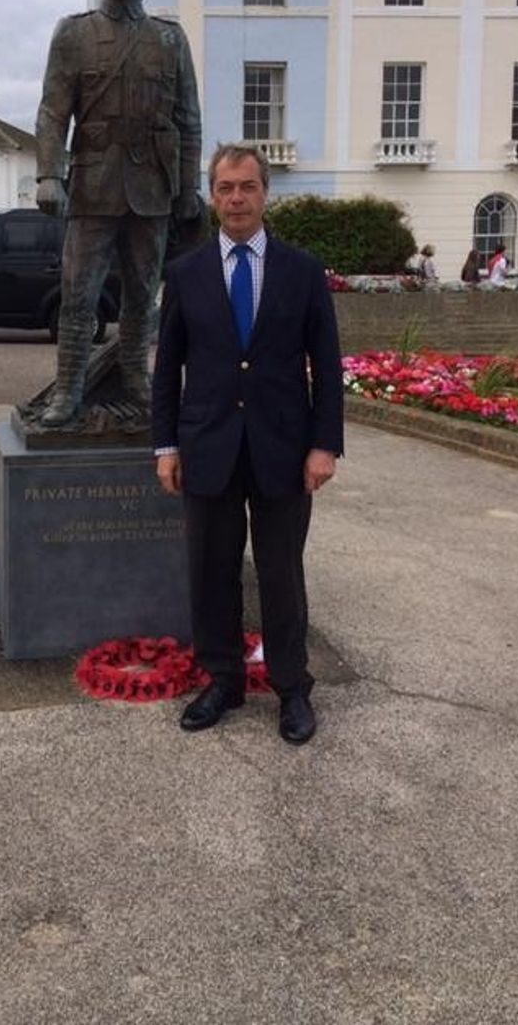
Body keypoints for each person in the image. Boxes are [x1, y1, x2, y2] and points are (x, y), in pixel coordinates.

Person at [152, 144, 344, 745]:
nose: (236, 198)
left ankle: (291, 688)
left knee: (282, 572)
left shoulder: (302, 270)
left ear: (266, 193)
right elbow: (168, 369)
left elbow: (327, 365)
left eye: (247, 187)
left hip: (284, 449)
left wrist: (324, 445)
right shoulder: (185, 272)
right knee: (211, 573)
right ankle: (223, 681)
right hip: (206, 446)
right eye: (225, 188)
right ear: (212, 197)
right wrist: (165, 446)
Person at [35, 0, 202, 426]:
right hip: (91, 187)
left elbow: (188, 119)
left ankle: (137, 381)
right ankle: (68, 391)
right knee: (80, 295)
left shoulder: (170, 41)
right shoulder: (73, 34)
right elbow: (51, 113)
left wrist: (189, 186)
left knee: (142, 295)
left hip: (152, 190)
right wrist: (49, 174)